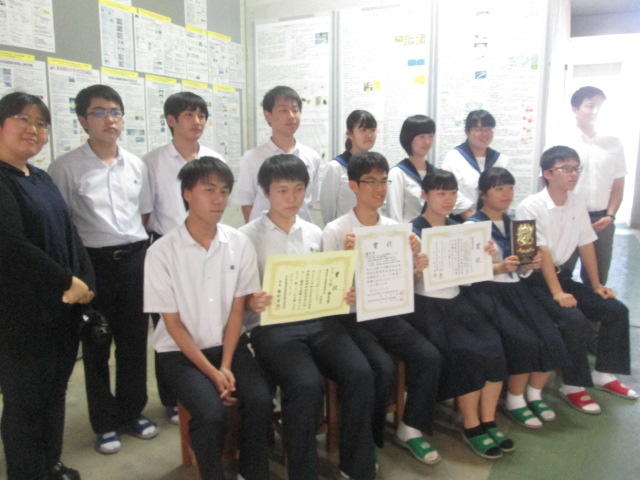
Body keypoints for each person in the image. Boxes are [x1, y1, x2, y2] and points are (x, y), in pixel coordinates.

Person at [240, 153, 376, 480]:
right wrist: (250, 301)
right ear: (266, 192)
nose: (292, 198)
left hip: (320, 322)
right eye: (282, 190)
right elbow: (237, 296)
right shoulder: (246, 237)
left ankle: (355, 466)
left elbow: (328, 279)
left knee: (360, 373)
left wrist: (342, 292)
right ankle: (303, 472)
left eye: (299, 189)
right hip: (272, 327)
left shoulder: (314, 232)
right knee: (306, 384)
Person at [144, 156, 272, 480]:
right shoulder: (161, 252)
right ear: (187, 193)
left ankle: (252, 472)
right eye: (209, 190)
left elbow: (237, 311)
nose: (219, 199)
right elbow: (172, 324)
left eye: (224, 191)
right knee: (211, 413)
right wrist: (212, 373)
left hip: (228, 345)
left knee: (259, 400)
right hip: (180, 354)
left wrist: (225, 366)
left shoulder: (238, 243)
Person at [48, 84, 157, 455]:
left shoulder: (137, 165)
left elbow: (144, 214)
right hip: (93, 265)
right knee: (96, 344)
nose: (109, 119)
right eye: (99, 112)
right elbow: (62, 224)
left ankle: (132, 412)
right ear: (83, 120)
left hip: (135, 260)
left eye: (115, 112)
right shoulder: (65, 168)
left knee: (134, 343)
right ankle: (105, 422)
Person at [323, 151, 444, 467]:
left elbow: (404, 281)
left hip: (386, 312)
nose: (379, 188)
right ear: (353, 185)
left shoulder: (396, 229)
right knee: (381, 368)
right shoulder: (336, 230)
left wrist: (416, 265)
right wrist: (345, 259)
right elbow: (329, 289)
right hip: (351, 318)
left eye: (384, 181)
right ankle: (368, 438)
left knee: (429, 356)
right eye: (371, 181)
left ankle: (410, 427)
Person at [0, 92, 95, 480]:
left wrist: (87, 281)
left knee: (54, 393)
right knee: (25, 401)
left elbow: (70, 234)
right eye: (23, 119)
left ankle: (50, 465)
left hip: (61, 309)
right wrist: (68, 280)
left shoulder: (40, 178)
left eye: (41, 123)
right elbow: (10, 245)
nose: (34, 130)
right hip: (21, 315)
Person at [516, 146, 636, 415]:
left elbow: (586, 244)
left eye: (575, 168)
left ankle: (603, 374)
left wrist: (596, 285)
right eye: (566, 169)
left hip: (561, 276)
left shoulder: (577, 202)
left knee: (615, 310)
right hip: (533, 281)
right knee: (573, 319)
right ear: (548, 174)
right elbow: (541, 253)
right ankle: (572, 385)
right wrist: (557, 293)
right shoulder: (529, 206)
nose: (573, 174)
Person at [407, 168, 511, 459]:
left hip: (458, 301)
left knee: (494, 345)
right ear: (424, 195)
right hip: (426, 305)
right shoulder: (411, 231)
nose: (448, 200)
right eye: (441, 193)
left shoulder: (460, 228)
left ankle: (489, 419)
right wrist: (416, 267)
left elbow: (470, 275)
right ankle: (471, 424)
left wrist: (485, 256)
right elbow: (404, 283)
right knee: (467, 352)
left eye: (452, 193)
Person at [143, 91, 225, 424]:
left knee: (205, 319)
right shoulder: (153, 162)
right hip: (168, 248)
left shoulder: (214, 158)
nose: (197, 121)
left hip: (206, 246)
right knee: (168, 326)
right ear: (171, 120)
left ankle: (207, 381)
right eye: (189, 115)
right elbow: (145, 212)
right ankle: (172, 398)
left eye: (201, 115)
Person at [465, 167, 568, 428]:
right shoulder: (472, 227)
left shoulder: (518, 226)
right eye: (499, 188)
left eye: (510, 188)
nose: (506, 194)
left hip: (516, 289)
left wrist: (529, 265)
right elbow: (467, 272)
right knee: (524, 339)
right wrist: (498, 267)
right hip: (488, 292)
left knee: (550, 334)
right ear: (483, 193)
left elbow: (522, 269)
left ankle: (534, 394)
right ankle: (514, 399)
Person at [559, 86, 626, 286]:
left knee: (597, 278)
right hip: (567, 217)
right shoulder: (561, 139)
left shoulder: (613, 142)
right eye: (590, 106)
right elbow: (548, 181)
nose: (595, 111)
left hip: (601, 220)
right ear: (575, 108)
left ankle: (593, 308)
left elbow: (618, 184)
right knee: (562, 272)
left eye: (599, 106)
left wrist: (610, 216)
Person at [234, 85, 320, 223]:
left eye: (295, 110)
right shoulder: (252, 158)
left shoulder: (312, 157)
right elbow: (247, 203)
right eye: (283, 110)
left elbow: (310, 200)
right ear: (268, 115)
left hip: (300, 231)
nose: (291, 116)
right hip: (263, 233)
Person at [441, 110, 508, 219]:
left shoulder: (500, 160)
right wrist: (473, 219)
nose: (484, 134)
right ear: (467, 132)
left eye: (488, 129)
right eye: (479, 129)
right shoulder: (453, 157)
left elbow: (505, 191)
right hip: (461, 220)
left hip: (494, 219)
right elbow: (448, 189)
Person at [320, 109, 377, 223]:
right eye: (363, 129)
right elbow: (328, 212)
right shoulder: (335, 168)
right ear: (349, 134)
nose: (369, 135)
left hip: (371, 231)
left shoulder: (376, 167)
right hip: (344, 232)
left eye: (372, 130)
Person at [387, 114, 436, 223]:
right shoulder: (397, 174)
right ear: (409, 138)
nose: (427, 142)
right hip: (409, 232)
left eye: (430, 136)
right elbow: (394, 215)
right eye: (422, 136)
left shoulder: (435, 173)